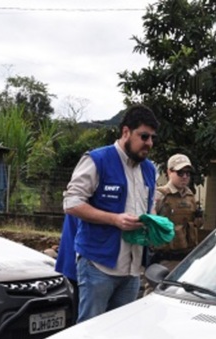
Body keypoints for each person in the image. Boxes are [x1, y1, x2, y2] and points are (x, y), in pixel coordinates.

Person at [63, 104, 159, 322]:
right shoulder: (97, 160)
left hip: (132, 270)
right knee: (90, 330)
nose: (149, 143)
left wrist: (153, 223)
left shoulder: (149, 169)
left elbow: (149, 204)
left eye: (153, 138)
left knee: (119, 332)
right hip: (98, 265)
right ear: (126, 132)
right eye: (144, 136)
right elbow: (72, 202)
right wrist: (114, 219)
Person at [151, 153, 203, 270]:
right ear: (169, 172)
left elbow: (196, 225)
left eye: (188, 173)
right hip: (165, 260)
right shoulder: (160, 195)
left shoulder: (190, 196)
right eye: (180, 173)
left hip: (187, 257)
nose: (184, 176)